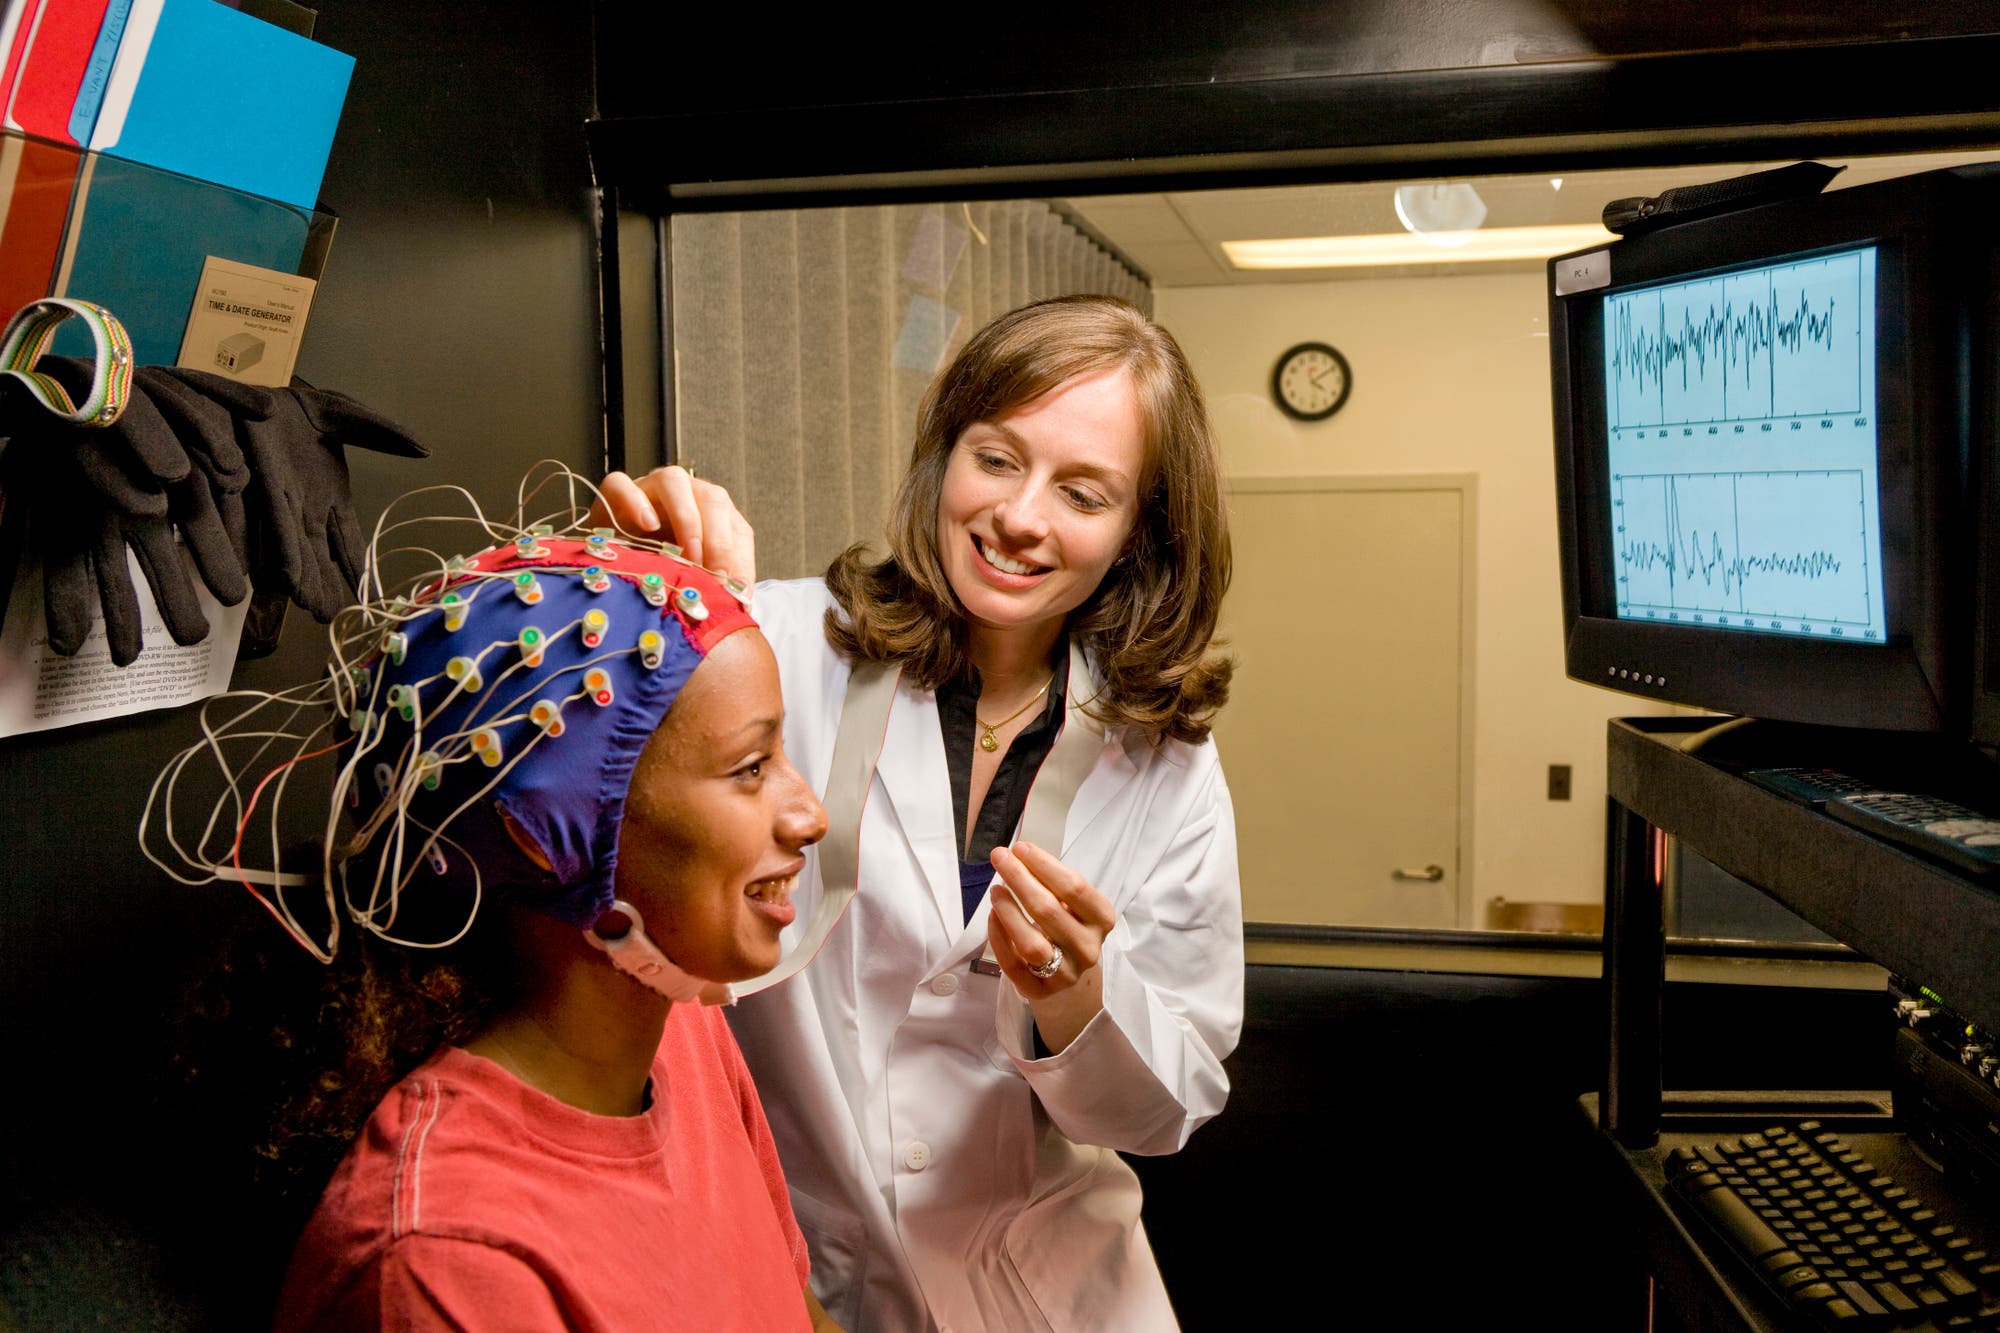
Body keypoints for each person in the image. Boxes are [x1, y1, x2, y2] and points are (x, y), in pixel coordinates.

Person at [598, 294, 1244, 1331]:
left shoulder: (1160, 759)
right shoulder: (772, 643)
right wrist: (624, 590)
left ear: (1136, 532)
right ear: (942, 456)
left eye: (1082, 492)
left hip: (1049, 1287)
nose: (1021, 517)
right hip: (786, 1265)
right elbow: (589, 815)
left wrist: (1075, 996)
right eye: (995, 459)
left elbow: (1161, 1110)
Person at [144, 480, 846, 1331]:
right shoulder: (442, 1266)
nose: (810, 815)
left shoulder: (680, 1032)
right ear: (540, 841)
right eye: (751, 767)